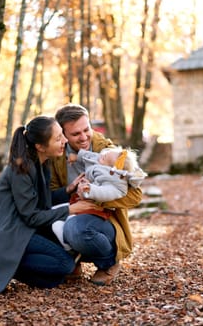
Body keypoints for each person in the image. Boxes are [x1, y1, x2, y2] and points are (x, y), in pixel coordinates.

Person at [0, 116, 99, 295]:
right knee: (65, 265)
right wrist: (70, 209)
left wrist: (68, 190)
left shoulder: (40, 163)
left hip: (22, 229)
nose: (64, 140)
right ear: (40, 147)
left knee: (53, 279)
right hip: (7, 233)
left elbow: (41, 200)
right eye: (58, 138)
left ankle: (8, 265)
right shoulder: (21, 170)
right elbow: (32, 216)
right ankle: (2, 265)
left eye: (62, 135)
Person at [50, 104, 143, 286]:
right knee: (48, 220)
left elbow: (135, 196)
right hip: (72, 210)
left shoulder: (109, 152)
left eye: (87, 130)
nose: (84, 138)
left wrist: (97, 199)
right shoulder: (57, 154)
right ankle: (72, 261)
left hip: (102, 218)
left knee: (76, 230)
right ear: (63, 135)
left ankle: (108, 263)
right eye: (76, 134)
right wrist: (70, 193)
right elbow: (51, 193)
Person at [52, 147, 146, 251]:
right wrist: (77, 156)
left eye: (104, 158)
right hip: (78, 201)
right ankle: (64, 236)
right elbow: (91, 156)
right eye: (104, 154)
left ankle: (69, 245)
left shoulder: (114, 179)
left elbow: (107, 192)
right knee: (54, 216)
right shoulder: (102, 159)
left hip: (93, 210)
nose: (100, 156)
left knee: (70, 222)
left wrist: (91, 190)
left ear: (113, 168)